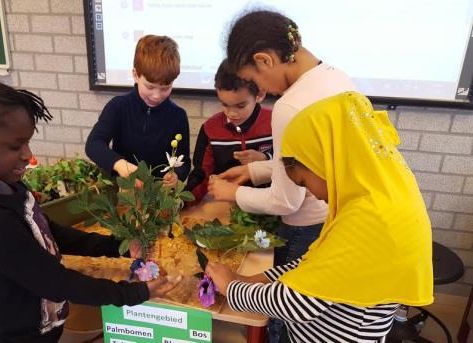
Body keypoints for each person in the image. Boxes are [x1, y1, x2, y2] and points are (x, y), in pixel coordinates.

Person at [0, 65, 181, 343]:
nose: (28, 156)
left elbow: (48, 233)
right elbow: (56, 281)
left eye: (27, 143)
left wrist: (117, 247)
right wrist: (137, 293)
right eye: (15, 146)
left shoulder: (1, 181)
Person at [206, 91, 434, 342]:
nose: (311, 193)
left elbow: (299, 304)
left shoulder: (370, 218)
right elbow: (313, 266)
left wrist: (232, 288)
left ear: (324, 161)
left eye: (303, 181)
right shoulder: (375, 195)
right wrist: (249, 279)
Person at [206, 10, 358, 340]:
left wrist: (233, 194)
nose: (264, 90)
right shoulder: (336, 77)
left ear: (265, 60)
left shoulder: (290, 107)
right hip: (332, 218)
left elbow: (287, 199)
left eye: (257, 82)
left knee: (283, 315)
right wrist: (254, 169)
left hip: (305, 223)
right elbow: (306, 164)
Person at [85, 35, 190, 188]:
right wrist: (121, 165)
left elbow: (184, 161)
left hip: (158, 194)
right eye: (149, 87)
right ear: (135, 75)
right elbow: (93, 144)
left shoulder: (178, 116)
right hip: (123, 190)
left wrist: (176, 175)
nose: (156, 95)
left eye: (165, 88)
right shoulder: (118, 107)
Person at [185, 59, 272, 204]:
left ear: (260, 94)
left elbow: (289, 166)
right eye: (225, 105)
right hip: (225, 204)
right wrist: (184, 201)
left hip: (267, 205)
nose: (231, 113)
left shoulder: (275, 122)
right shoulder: (210, 128)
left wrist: (264, 158)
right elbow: (201, 174)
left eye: (240, 106)